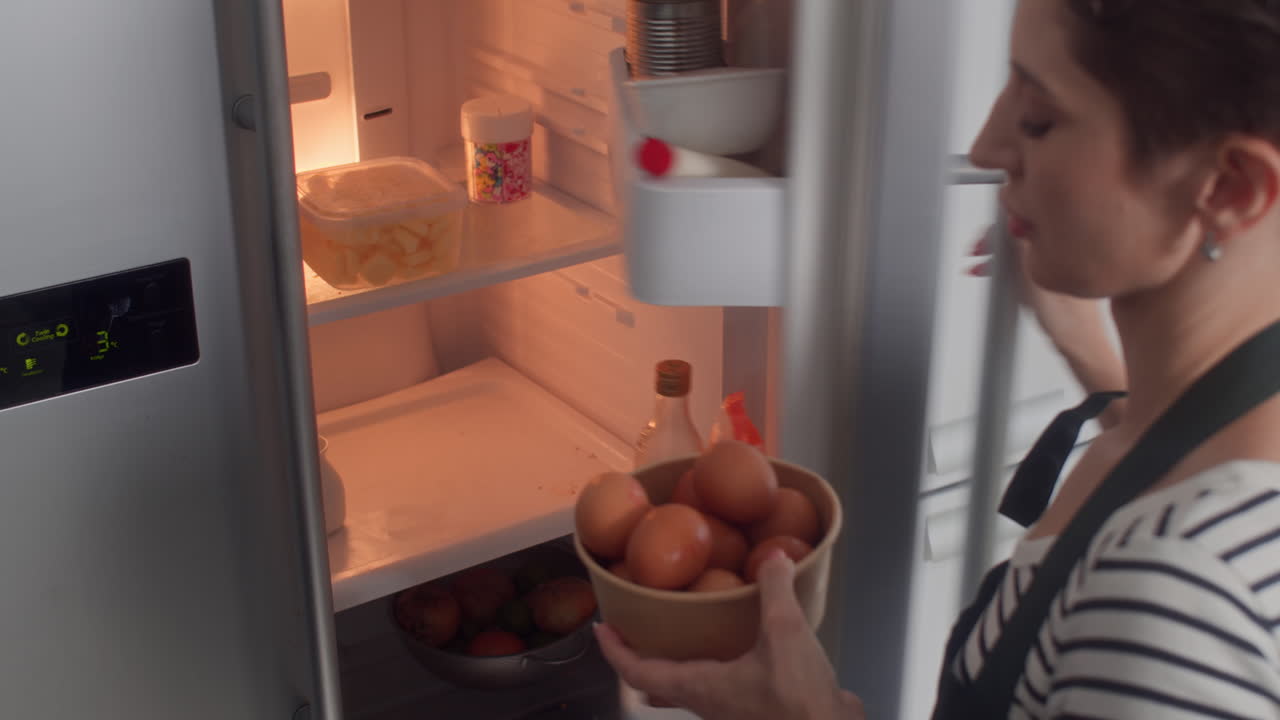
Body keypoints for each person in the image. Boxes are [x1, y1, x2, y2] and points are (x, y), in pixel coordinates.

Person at [593, 1, 1280, 717]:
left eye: (1039, 118)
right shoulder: (1224, 419)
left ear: (1229, 189)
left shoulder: (1176, 598)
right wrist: (1084, 349)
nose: (985, 148)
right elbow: (1160, 455)